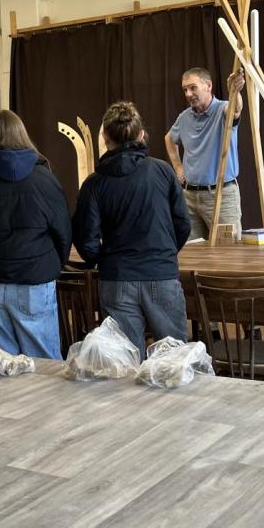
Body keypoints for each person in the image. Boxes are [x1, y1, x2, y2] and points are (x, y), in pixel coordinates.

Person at [73, 102, 192, 356]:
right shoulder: (162, 171)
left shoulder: (94, 184)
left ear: (105, 138)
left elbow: (86, 241)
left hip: (117, 279)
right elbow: (183, 224)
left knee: (125, 363)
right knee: (174, 362)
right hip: (161, 273)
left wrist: (105, 259)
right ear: (141, 135)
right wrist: (165, 253)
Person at [0, 110, 71, 359]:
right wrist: (53, 266)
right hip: (34, 280)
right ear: (22, 135)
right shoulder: (45, 180)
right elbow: (63, 232)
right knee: (43, 364)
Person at [165, 67, 246, 240]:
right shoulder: (184, 117)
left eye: (193, 88)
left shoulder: (223, 109)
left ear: (208, 86)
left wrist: (235, 92)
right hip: (189, 198)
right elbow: (169, 138)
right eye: (185, 89)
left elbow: (235, 109)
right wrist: (178, 168)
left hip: (221, 196)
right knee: (192, 251)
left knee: (227, 251)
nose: (188, 94)